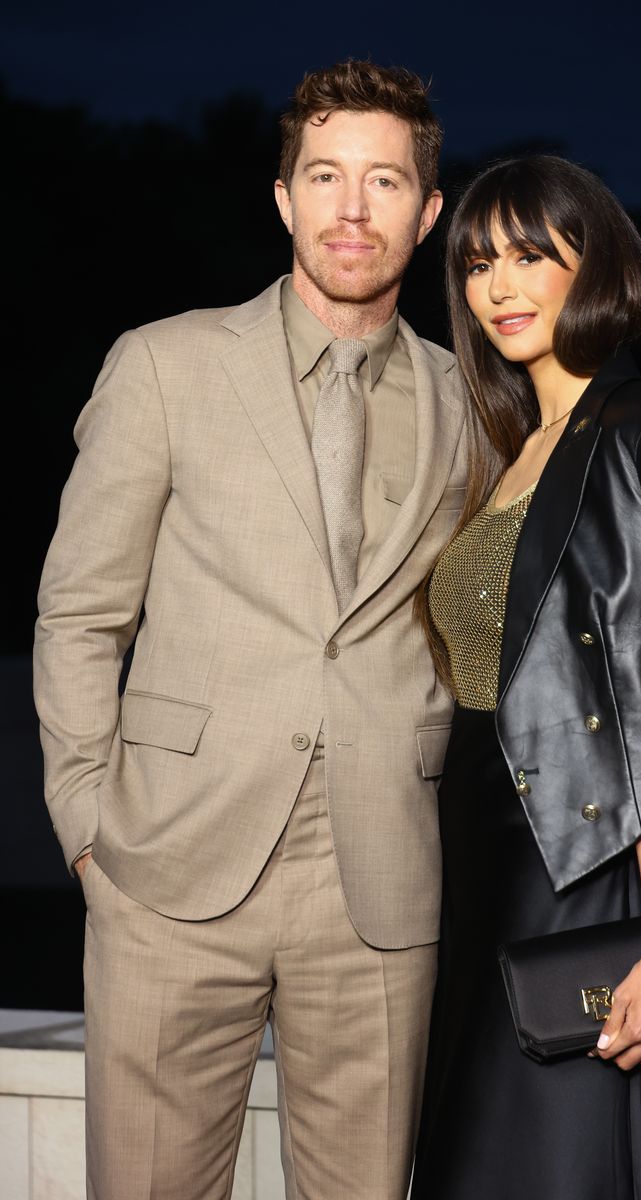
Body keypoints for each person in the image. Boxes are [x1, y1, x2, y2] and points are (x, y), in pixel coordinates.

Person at [33, 60, 469, 1200]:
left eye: (384, 181)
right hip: (168, 863)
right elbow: (79, 613)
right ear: (283, 199)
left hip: (376, 881)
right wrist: (87, 823)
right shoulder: (165, 366)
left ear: (426, 214)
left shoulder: (469, 405)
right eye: (324, 176)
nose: (351, 207)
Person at [410, 156, 641, 1199]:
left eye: (529, 254)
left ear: (593, 263)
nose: (498, 286)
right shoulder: (509, 449)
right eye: (476, 263)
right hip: (472, 875)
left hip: (577, 875)